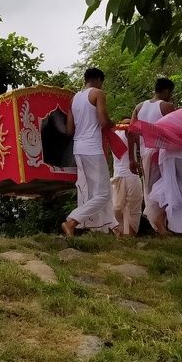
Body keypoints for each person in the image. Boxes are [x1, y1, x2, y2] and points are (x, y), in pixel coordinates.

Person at [132, 103, 182, 236]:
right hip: (179, 155)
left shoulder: (179, 114)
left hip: (164, 154)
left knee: (172, 187)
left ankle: (161, 217)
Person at [62, 68, 119, 236]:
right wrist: (112, 123)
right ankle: (72, 221)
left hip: (78, 148)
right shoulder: (98, 94)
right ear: (99, 80)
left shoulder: (74, 99)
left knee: (92, 191)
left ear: (84, 80)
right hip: (93, 147)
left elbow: (69, 130)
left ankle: (111, 228)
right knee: (103, 193)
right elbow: (103, 121)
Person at [129, 78, 176, 230]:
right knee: (168, 186)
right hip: (162, 151)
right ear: (167, 91)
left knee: (150, 189)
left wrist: (132, 158)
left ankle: (159, 225)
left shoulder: (139, 107)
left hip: (145, 153)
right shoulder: (167, 106)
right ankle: (161, 224)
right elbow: (175, 132)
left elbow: (131, 133)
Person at [110, 125, 143, 236]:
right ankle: (129, 235)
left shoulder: (113, 133)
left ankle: (120, 235)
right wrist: (132, 159)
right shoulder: (130, 130)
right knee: (132, 208)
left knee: (118, 208)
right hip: (130, 175)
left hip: (118, 175)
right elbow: (131, 132)